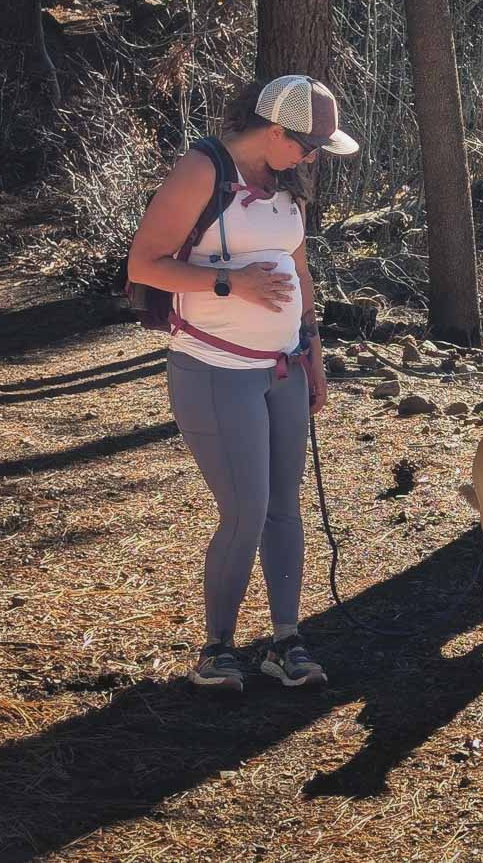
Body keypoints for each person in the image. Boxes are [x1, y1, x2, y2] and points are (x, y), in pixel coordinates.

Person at [127, 75, 358, 692]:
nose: (312, 159)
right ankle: (218, 649)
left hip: (281, 367)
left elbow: (298, 265)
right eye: (308, 146)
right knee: (246, 510)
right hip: (212, 368)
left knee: (285, 507)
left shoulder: (287, 183)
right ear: (276, 132)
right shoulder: (202, 170)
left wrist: (312, 346)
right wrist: (234, 285)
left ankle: (286, 641)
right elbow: (145, 262)